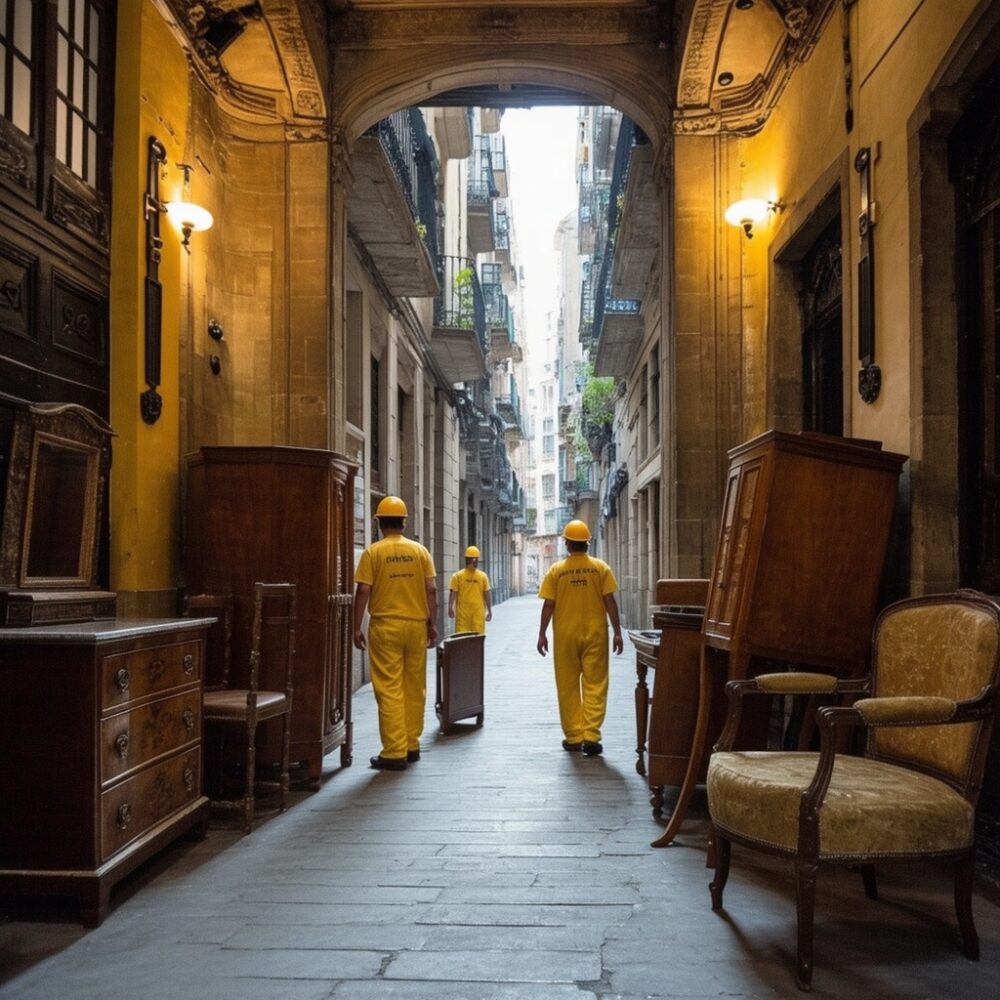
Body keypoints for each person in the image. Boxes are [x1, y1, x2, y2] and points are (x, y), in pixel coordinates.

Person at [353, 495, 437, 771]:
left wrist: (356, 626)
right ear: (403, 522)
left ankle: (393, 751)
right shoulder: (420, 551)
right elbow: (432, 589)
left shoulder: (373, 553)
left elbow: (363, 590)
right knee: (414, 687)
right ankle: (412, 745)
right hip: (415, 626)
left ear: (379, 523)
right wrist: (431, 623)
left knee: (388, 688)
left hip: (386, 628)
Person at [536, 519, 623, 756]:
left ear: (567, 544)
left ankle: (574, 736)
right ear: (587, 543)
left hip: (565, 636)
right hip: (596, 634)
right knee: (596, 682)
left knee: (567, 685)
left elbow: (548, 604)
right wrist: (617, 631)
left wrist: (542, 633)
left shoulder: (557, 571)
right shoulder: (600, 568)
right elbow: (610, 601)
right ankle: (592, 735)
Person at [448, 545, 493, 634]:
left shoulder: (457, 576)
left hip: (463, 614)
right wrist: (489, 611)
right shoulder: (483, 576)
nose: (477, 562)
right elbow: (487, 594)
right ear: (474, 560)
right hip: (477, 613)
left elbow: (453, 593)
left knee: (462, 638)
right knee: (477, 639)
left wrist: (450, 608)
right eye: (476, 559)